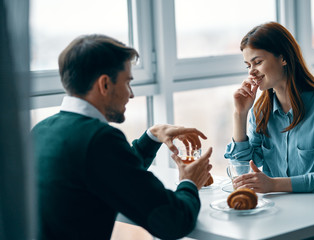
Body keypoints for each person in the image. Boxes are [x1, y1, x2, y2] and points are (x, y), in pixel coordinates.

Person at [31, 34, 213, 240]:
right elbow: (175, 222)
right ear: (105, 84)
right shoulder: (99, 139)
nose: (131, 94)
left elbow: (116, 174)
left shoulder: (41, 130)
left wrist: (151, 137)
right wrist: (189, 182)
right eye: (127, 82)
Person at [224, 22, 314, 239]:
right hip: (278, 226)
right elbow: (244, 168)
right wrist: (239, 114)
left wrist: (273, 184)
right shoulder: (261, 111)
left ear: (283, 58)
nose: (252, 72)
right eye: (248, 65)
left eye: (257, 62)